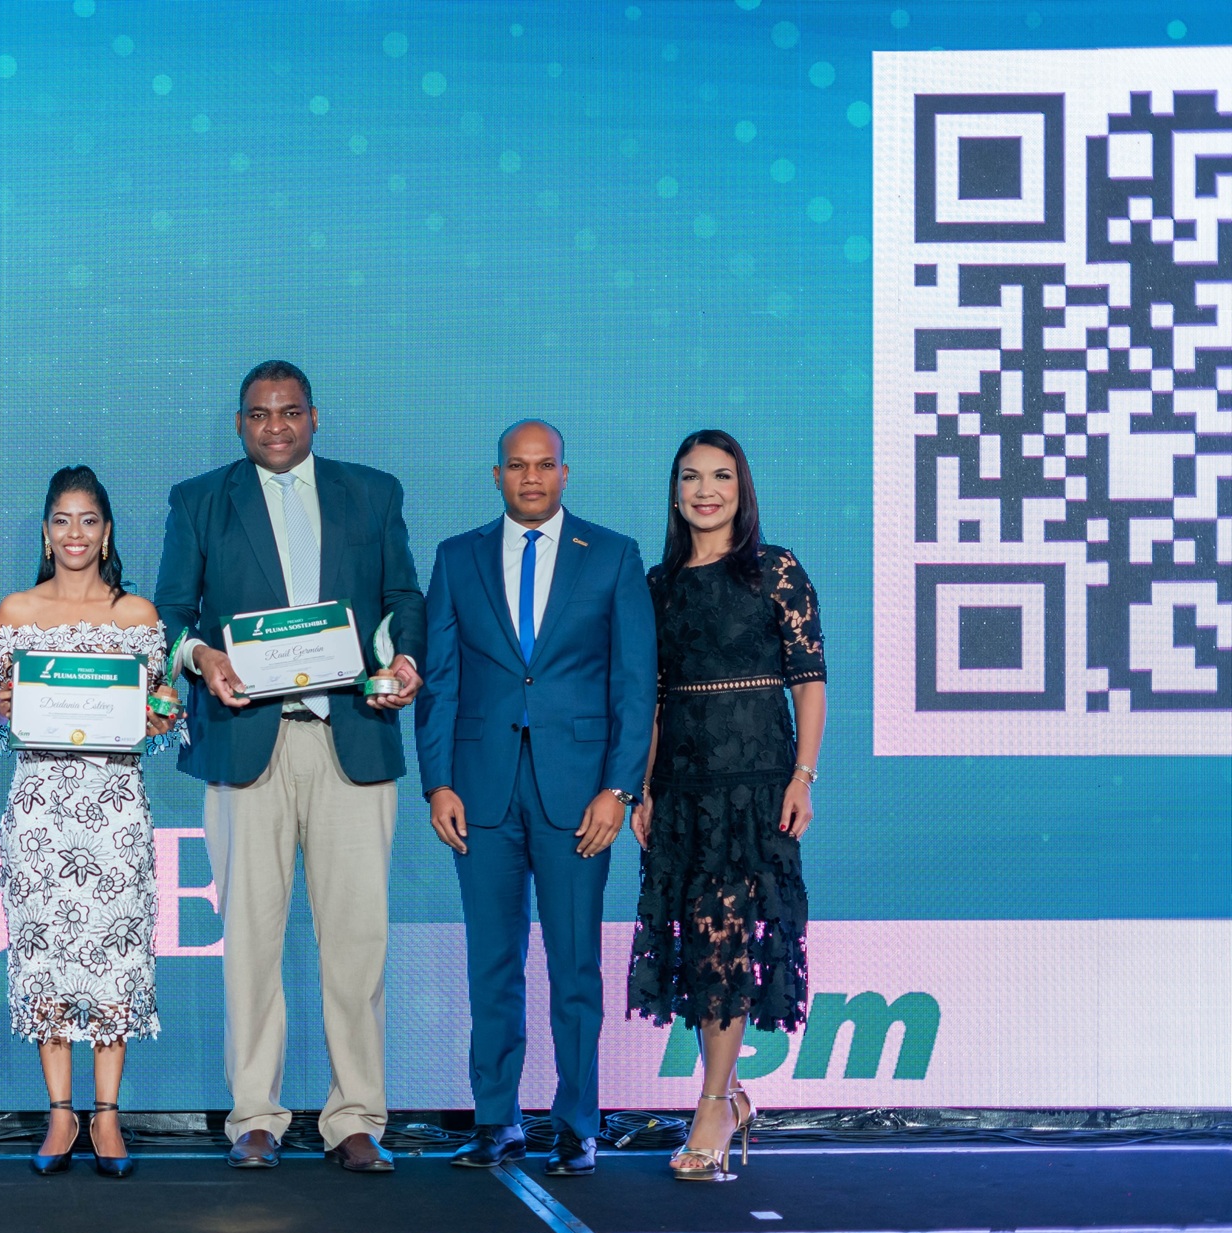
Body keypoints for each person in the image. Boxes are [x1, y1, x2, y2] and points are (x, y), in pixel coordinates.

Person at [152, 361, 424, 1175]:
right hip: (246, 743)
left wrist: (404, 658)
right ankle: (254, 1117)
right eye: (260, 414)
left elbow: (403, 598)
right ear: (240, 423)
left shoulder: (372, 493)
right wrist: (201, 658)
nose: (276, 426)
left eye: (290, 412)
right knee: (250, 943)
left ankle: (355, 1118)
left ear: (315, 417)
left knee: (358, 942)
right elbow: (170, 613)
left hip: (352, 740)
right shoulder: (199, 500)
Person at [415, 420, 656, 1178]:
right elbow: (440, 681)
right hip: (479, 791)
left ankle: (577, 1123)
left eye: (543, 465)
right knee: (493, 962)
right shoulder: (456, 557)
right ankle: (496, 1119)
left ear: (564, 473)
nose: (530, 478)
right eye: (516, 466)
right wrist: (438, 782)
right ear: (496, 476)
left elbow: (635, 685)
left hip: (580, 795)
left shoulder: (612, 555)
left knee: (575, 966)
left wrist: (619, 789)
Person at [627, 429, 826, 1181]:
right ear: (675, 493)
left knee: (724, 943)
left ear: (742, 490)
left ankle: (713, 1104)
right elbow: (651, 698)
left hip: (756, 788)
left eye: (721, 477)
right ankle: (731, 1096)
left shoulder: (777, 571)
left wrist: (803, 776)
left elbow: (809, 679)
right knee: (701, 946)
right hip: (683, 791)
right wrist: (643, 787)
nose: (705, 491)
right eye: (691, 477)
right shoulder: (656, 585)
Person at [0, 467, 179, 1179]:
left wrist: (162, 716)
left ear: (107, 531)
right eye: (62, 519)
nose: (74, 533)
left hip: (115, 809)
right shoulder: (17, 611)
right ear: (45, 531)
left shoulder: (137, 615)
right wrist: (1, 709)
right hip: (40, 812)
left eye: (88, 520)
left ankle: (108, 1115)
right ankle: (61, 1114)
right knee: (47, 957)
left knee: (116, 956)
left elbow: (159, 723)